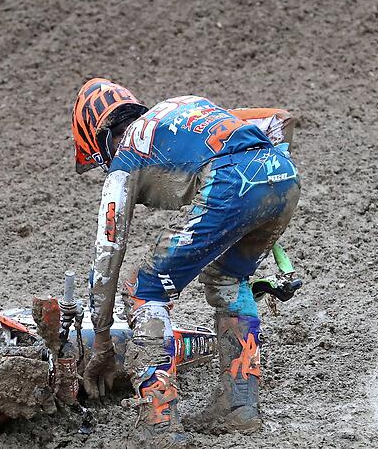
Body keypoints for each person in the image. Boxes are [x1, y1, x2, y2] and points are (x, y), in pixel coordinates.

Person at [71, 78, 301, 447]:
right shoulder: (180, 109)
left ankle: (158, 421)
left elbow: (108, 252)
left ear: (99, 141)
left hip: (228, 183)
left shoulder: (126, 155)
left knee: (144, 290)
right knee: (228, 279)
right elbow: (279, 120)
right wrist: (270, 180)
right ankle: (239, 407)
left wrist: (100, 339)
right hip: (284, 177)